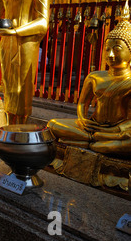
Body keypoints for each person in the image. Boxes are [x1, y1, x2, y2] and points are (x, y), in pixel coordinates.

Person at [47, 9, 131, 157]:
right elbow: (82, 104)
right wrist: (83, 120)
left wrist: (113, 131)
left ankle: (93, 141)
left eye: (117, 50)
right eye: (107, 49)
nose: (110, 54)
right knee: (52, 124)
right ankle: (91, 141)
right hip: (93, 127)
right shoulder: (95, 77)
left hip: (118, 130)